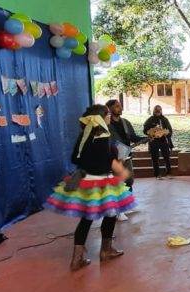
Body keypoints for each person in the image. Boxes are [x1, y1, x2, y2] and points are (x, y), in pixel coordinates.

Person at [44, 104, 135, 270]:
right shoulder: (103, 137)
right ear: (101, 117)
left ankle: (76, 259)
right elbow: (108, 161)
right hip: (102, 181)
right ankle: (106, 251)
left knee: (86, 220)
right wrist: (121, 169)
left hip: (86, 181)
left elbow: (75, 158)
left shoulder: (84, 136)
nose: (109, 116)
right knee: (111, 214)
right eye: (107, 114)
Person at [105, 99, 143, 197]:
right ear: (110, 108)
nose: (120, 108)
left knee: (129, 180)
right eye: (117, 106)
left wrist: (147, 138)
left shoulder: (125, 122)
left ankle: (128, 201)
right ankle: (118, 205)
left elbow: (134, 138)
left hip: (126, 155)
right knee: (118, 181)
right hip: (113, 157)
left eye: (120, 106)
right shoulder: (106, 124)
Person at [143, 105, 174, 180]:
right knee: (155, 158)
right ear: (154, 111)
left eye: (159, 110)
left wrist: (167, 133)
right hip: (154, 141)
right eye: (156, 110)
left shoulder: (165, 119)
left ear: (161, 110)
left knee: (166, 157)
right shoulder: (150, 120)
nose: (158, 112)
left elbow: (170, 130)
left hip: (164, 140)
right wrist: (151, 133)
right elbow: (145, 130)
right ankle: (157, 174)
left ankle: (168, 173)